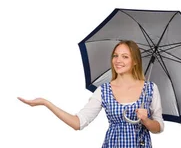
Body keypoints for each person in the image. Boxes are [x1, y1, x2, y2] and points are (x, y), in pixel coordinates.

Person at [18, 40, 164, 148]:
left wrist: (146, 121)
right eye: (115, 55)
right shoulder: (103, 90)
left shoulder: (150, 89)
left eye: (125, 57)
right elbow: (78, 123)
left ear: (135, 62)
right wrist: (46, 103)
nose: (118, 60)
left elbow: (159, 127)